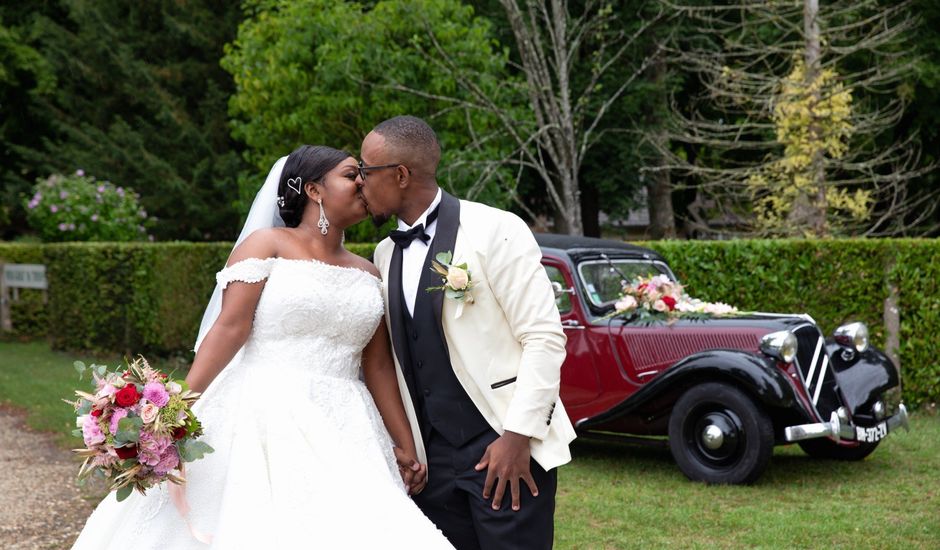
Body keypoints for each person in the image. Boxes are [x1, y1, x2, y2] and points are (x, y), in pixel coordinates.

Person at [71, 145, 453, 549]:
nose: (363, 182)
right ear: (314, 190)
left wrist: (407, 445)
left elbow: (377, 368)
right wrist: (174, 409)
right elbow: (229, 328)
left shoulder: (369, 270)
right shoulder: (266, 244)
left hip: (347, 420)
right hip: (263, 410)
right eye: (350, 174)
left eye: (363, 174)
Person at [358, 116, 577, 550]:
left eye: (367, 171)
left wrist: (517, 437)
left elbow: (544, 338)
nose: (360, 183)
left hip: (503, 448)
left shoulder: (497, 230)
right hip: (429, 465)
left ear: (400, 175)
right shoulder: (384, 255)